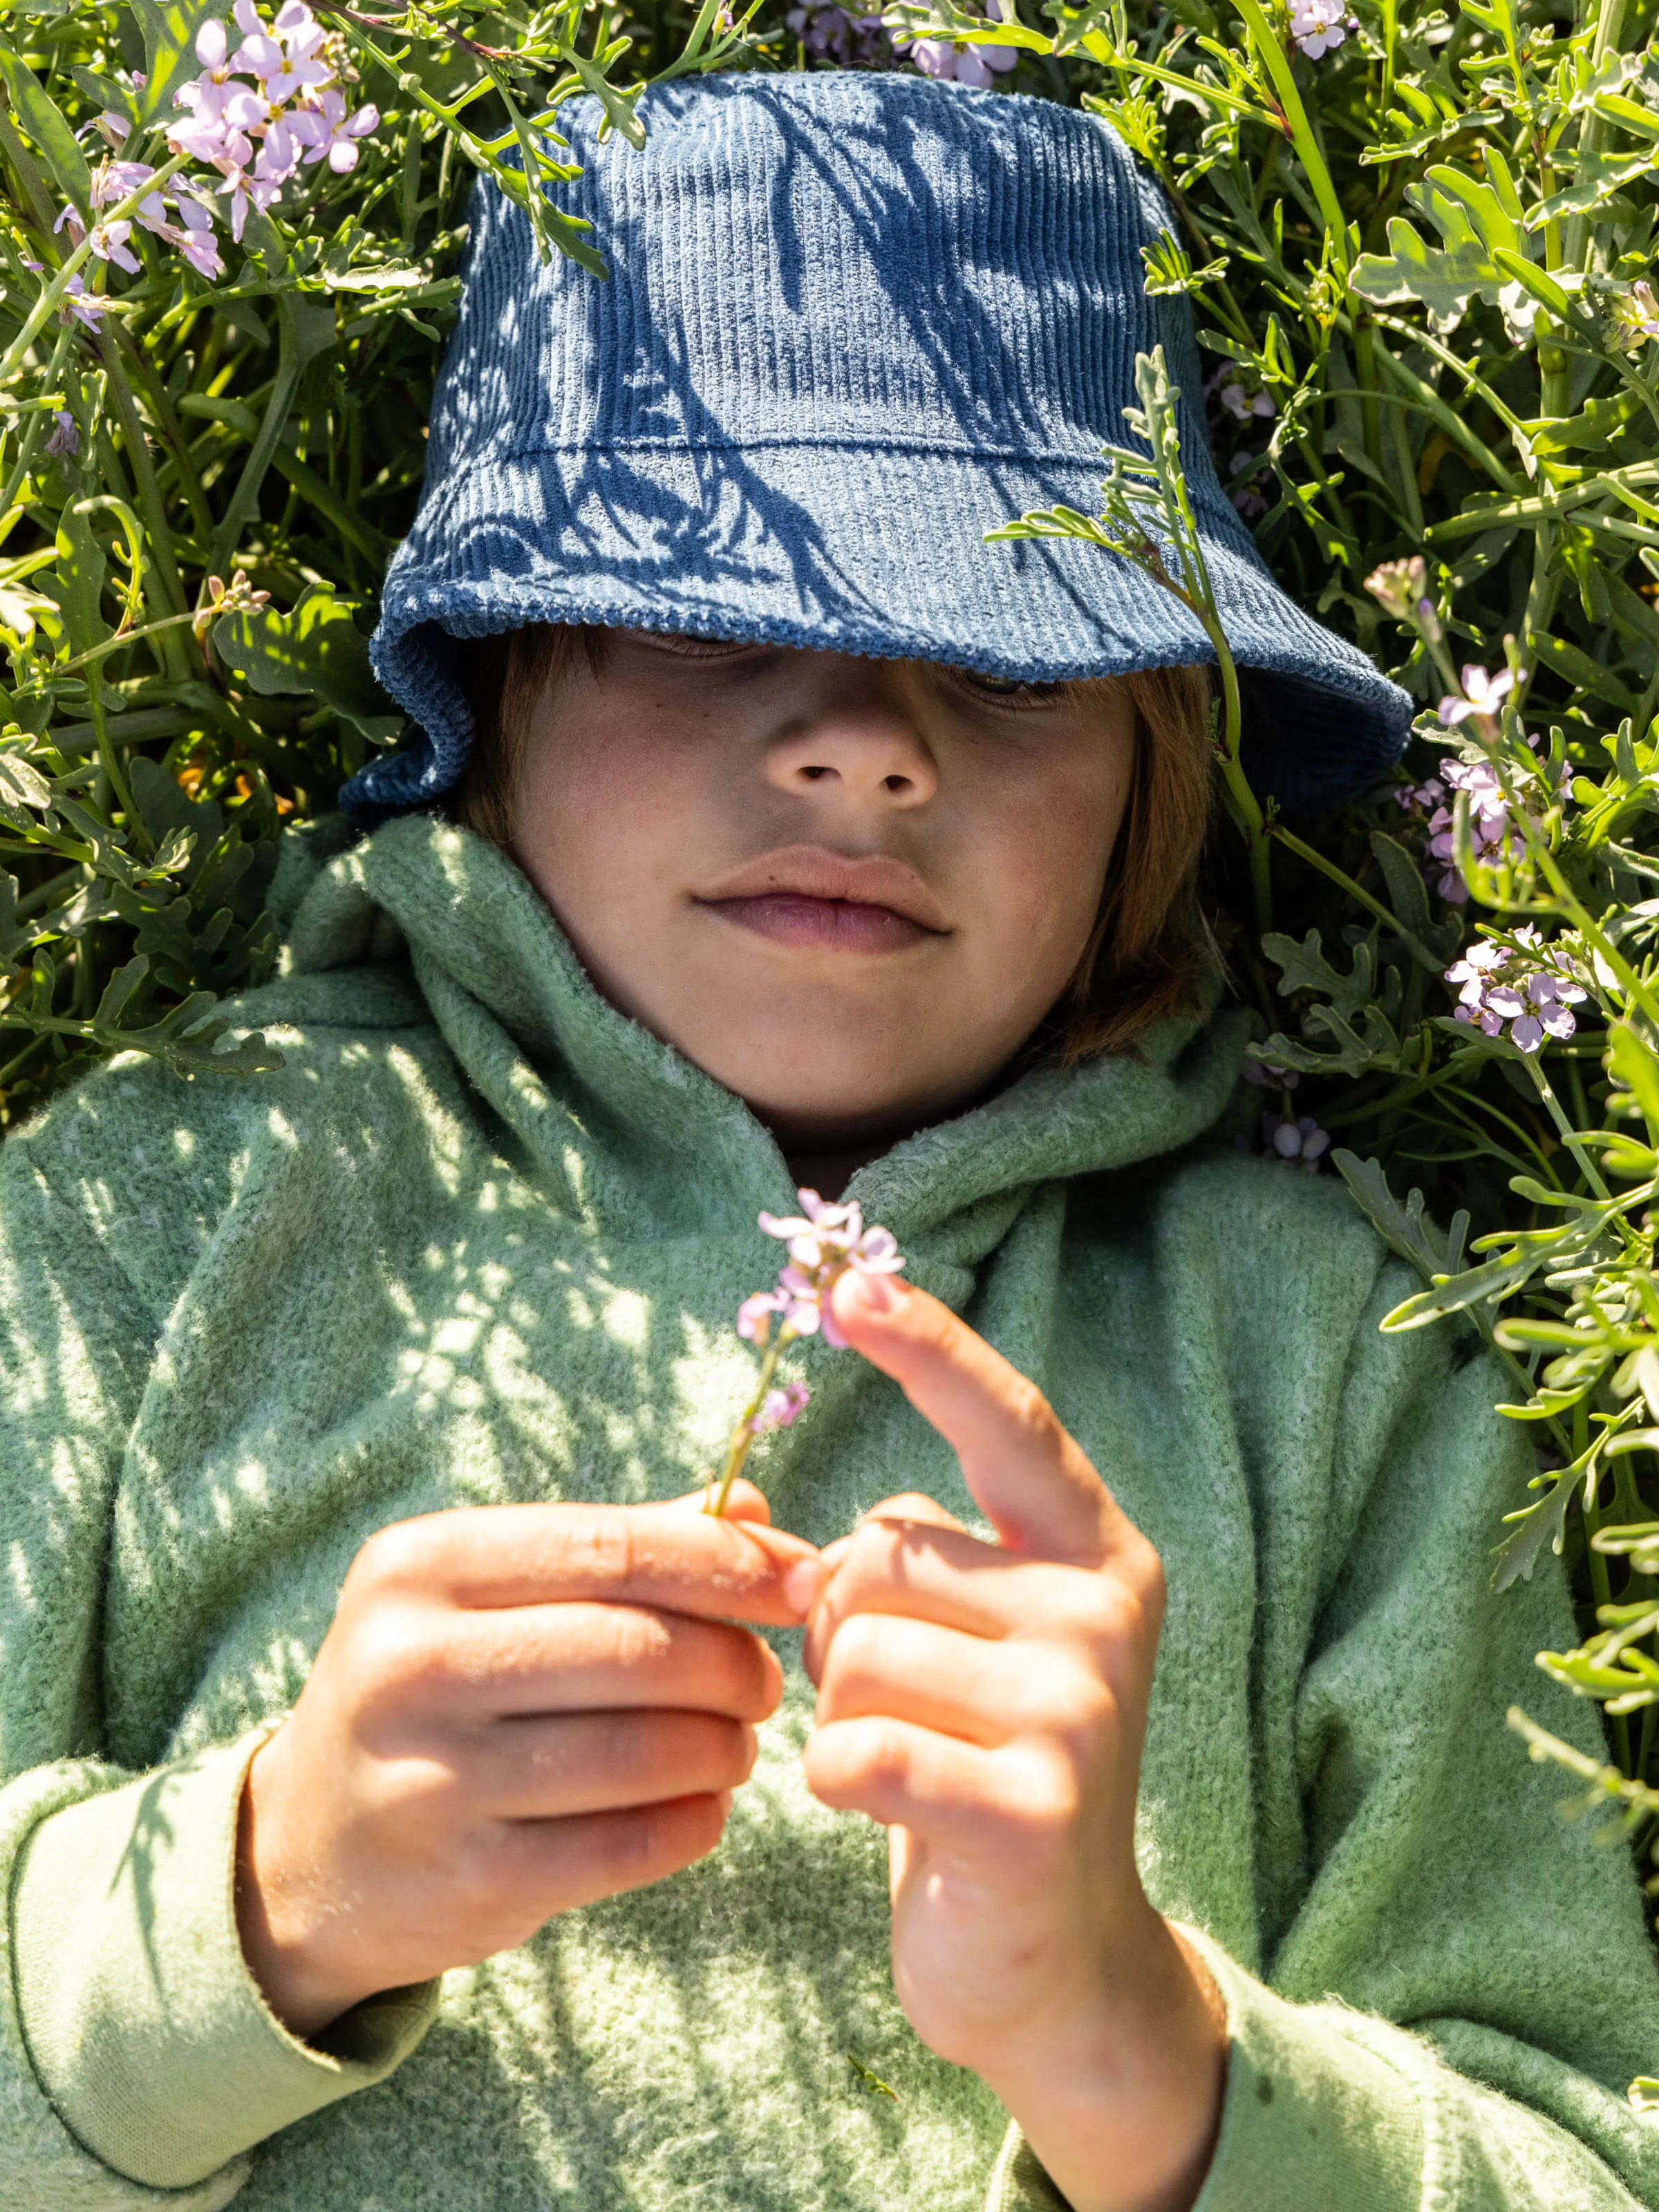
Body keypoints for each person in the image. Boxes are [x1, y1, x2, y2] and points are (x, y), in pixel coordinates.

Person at [1, 66, 1656, 2212]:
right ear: (501, 684)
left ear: (1152, 771)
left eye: (1021, 669)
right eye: (705, 610)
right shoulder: (165, 1201)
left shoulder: (1324, 1350)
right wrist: (258, 1898)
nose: (868, 745)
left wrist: (1137, 2046)